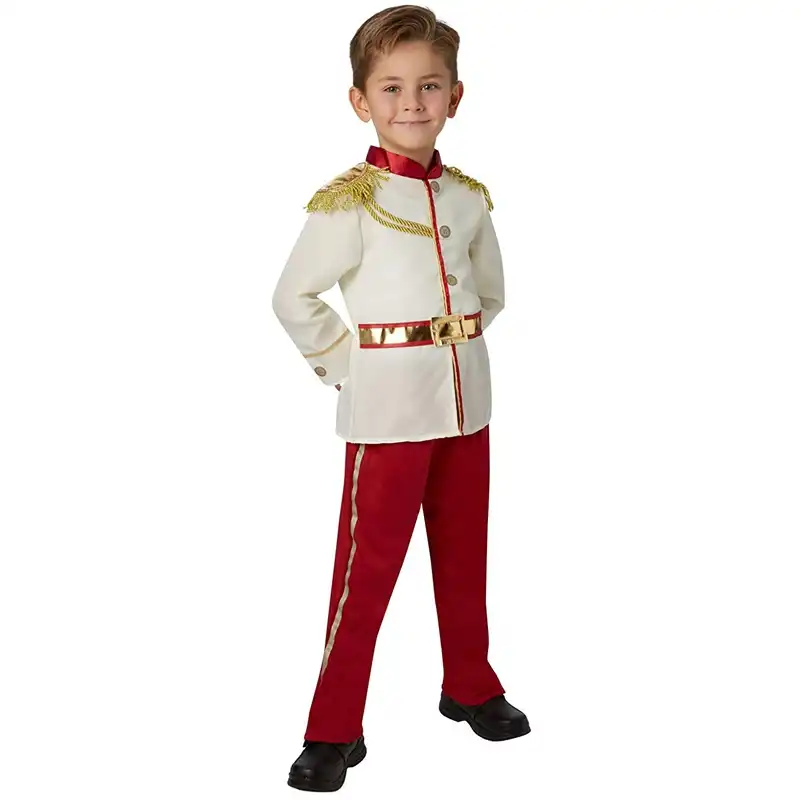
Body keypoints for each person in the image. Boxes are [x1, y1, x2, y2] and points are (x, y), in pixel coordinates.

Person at [271, 4, 529, 792]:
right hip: (387, 415)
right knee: (366, 574)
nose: (412, 102)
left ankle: (470, 684)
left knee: (465, 554)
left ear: (456, 95)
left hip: (466, 406)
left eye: (429, 85)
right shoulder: (348, 203)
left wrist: (454, 350)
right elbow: (293, 298)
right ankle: (333, 728)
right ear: (361, 101)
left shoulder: (468, 198)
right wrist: (351, 369)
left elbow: (490, 293)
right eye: (391, 87)